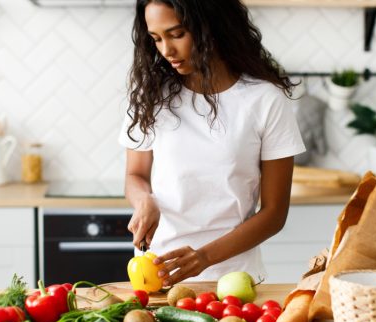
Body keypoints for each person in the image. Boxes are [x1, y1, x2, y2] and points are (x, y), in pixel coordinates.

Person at [118, 0, 305, 286]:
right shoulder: (151, 96)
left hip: (233, 278)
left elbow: (274, 213)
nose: (167, 50)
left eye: (177, 34)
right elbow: (136, 175)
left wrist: (204, 257)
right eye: (156, 39)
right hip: (158, 274)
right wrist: (145, 199)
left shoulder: (265, 100)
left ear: (213, 27)